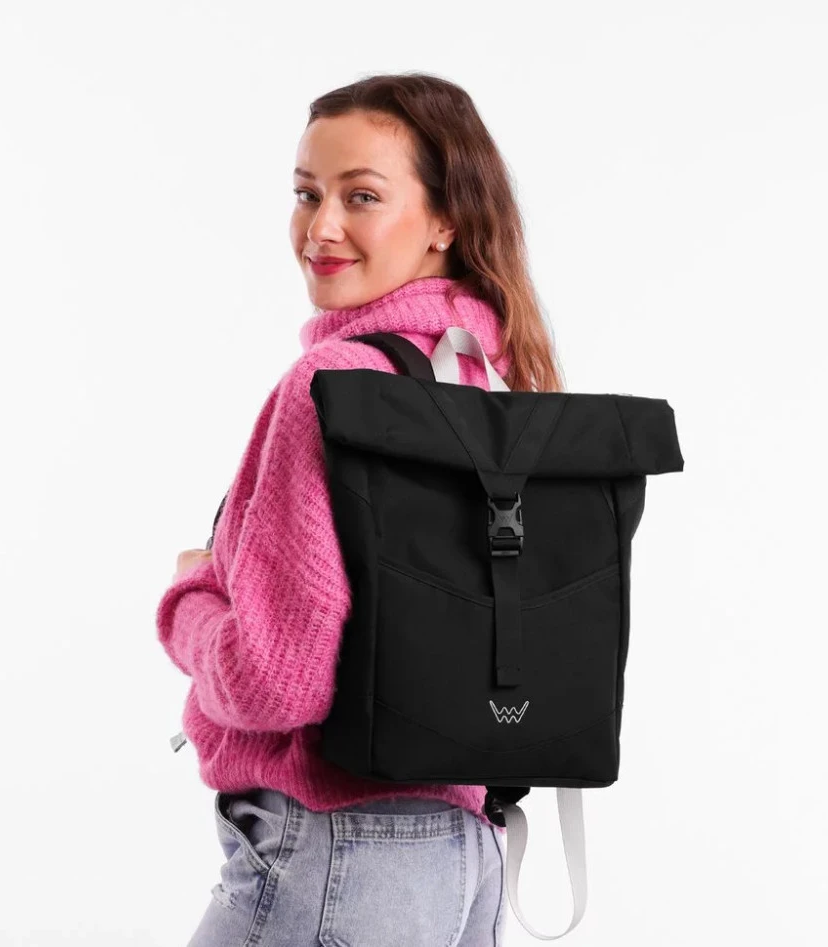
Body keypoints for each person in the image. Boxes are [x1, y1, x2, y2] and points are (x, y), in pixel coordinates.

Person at [155, 72, 565, 947]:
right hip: (467, 852)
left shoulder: (332, 385)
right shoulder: (487, 381)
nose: (321, 228)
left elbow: (274, 681)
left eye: (362, 196)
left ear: (446, 219)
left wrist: (190, 599)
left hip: (334, 852)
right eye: (307, 194)